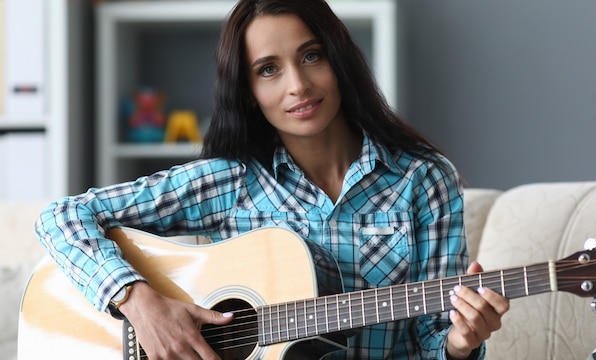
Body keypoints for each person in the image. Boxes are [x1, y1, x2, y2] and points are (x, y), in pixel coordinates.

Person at [35, 0, 509, 359]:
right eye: (268, 70)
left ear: (339, 61)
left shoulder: (422, 180)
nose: (297, 87)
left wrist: (461, 341)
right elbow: (62, 216)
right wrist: (141, 304)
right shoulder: (229, 182)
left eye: (311, 56)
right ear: (247, 93)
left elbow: (432, 342)